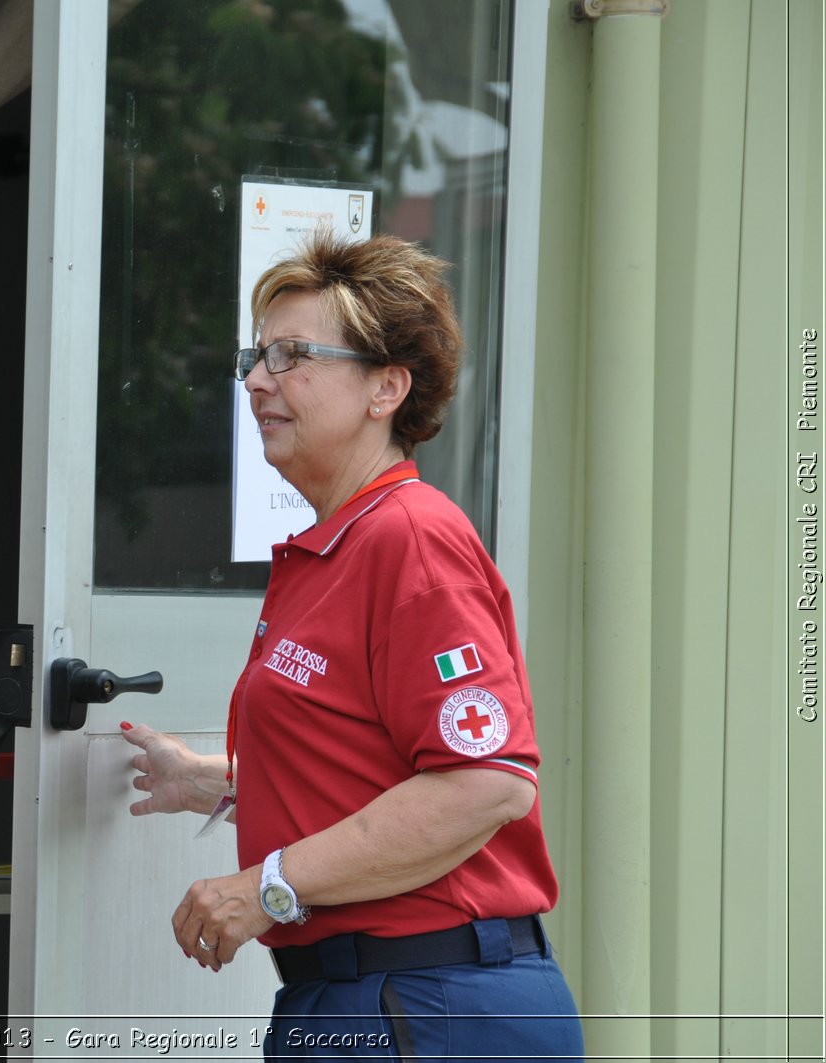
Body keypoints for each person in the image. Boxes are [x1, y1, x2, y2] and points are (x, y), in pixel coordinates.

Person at [121, 232, 582, 1059]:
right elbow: (377, 762)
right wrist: (222, 785)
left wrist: (268, 885)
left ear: (386, 387)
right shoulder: (336, 544)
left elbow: (484, 781)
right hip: (364, 1000)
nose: (258, 380)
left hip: (430, 1005)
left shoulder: (411, 538)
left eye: (294, 354)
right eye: (257, 356)